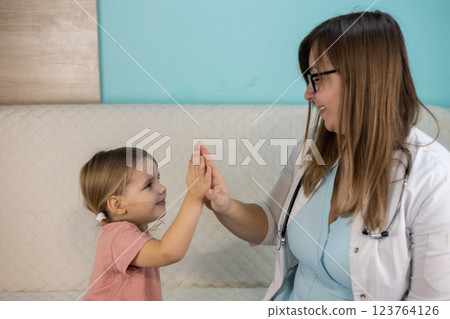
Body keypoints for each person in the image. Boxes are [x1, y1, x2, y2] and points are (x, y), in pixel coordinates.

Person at [202, 11, 450, 300]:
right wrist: (223, 205)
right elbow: (271, 222)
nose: (308, 93)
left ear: (363, 77)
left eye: (317, 78)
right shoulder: (312, 153)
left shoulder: (434, 180)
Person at [79, 145, 211, 300]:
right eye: (149, 185)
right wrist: (195, 196)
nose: (162, 189)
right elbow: (167, 252)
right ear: (117, 205)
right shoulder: (119, 236)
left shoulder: (125, 233)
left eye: (158, 179)